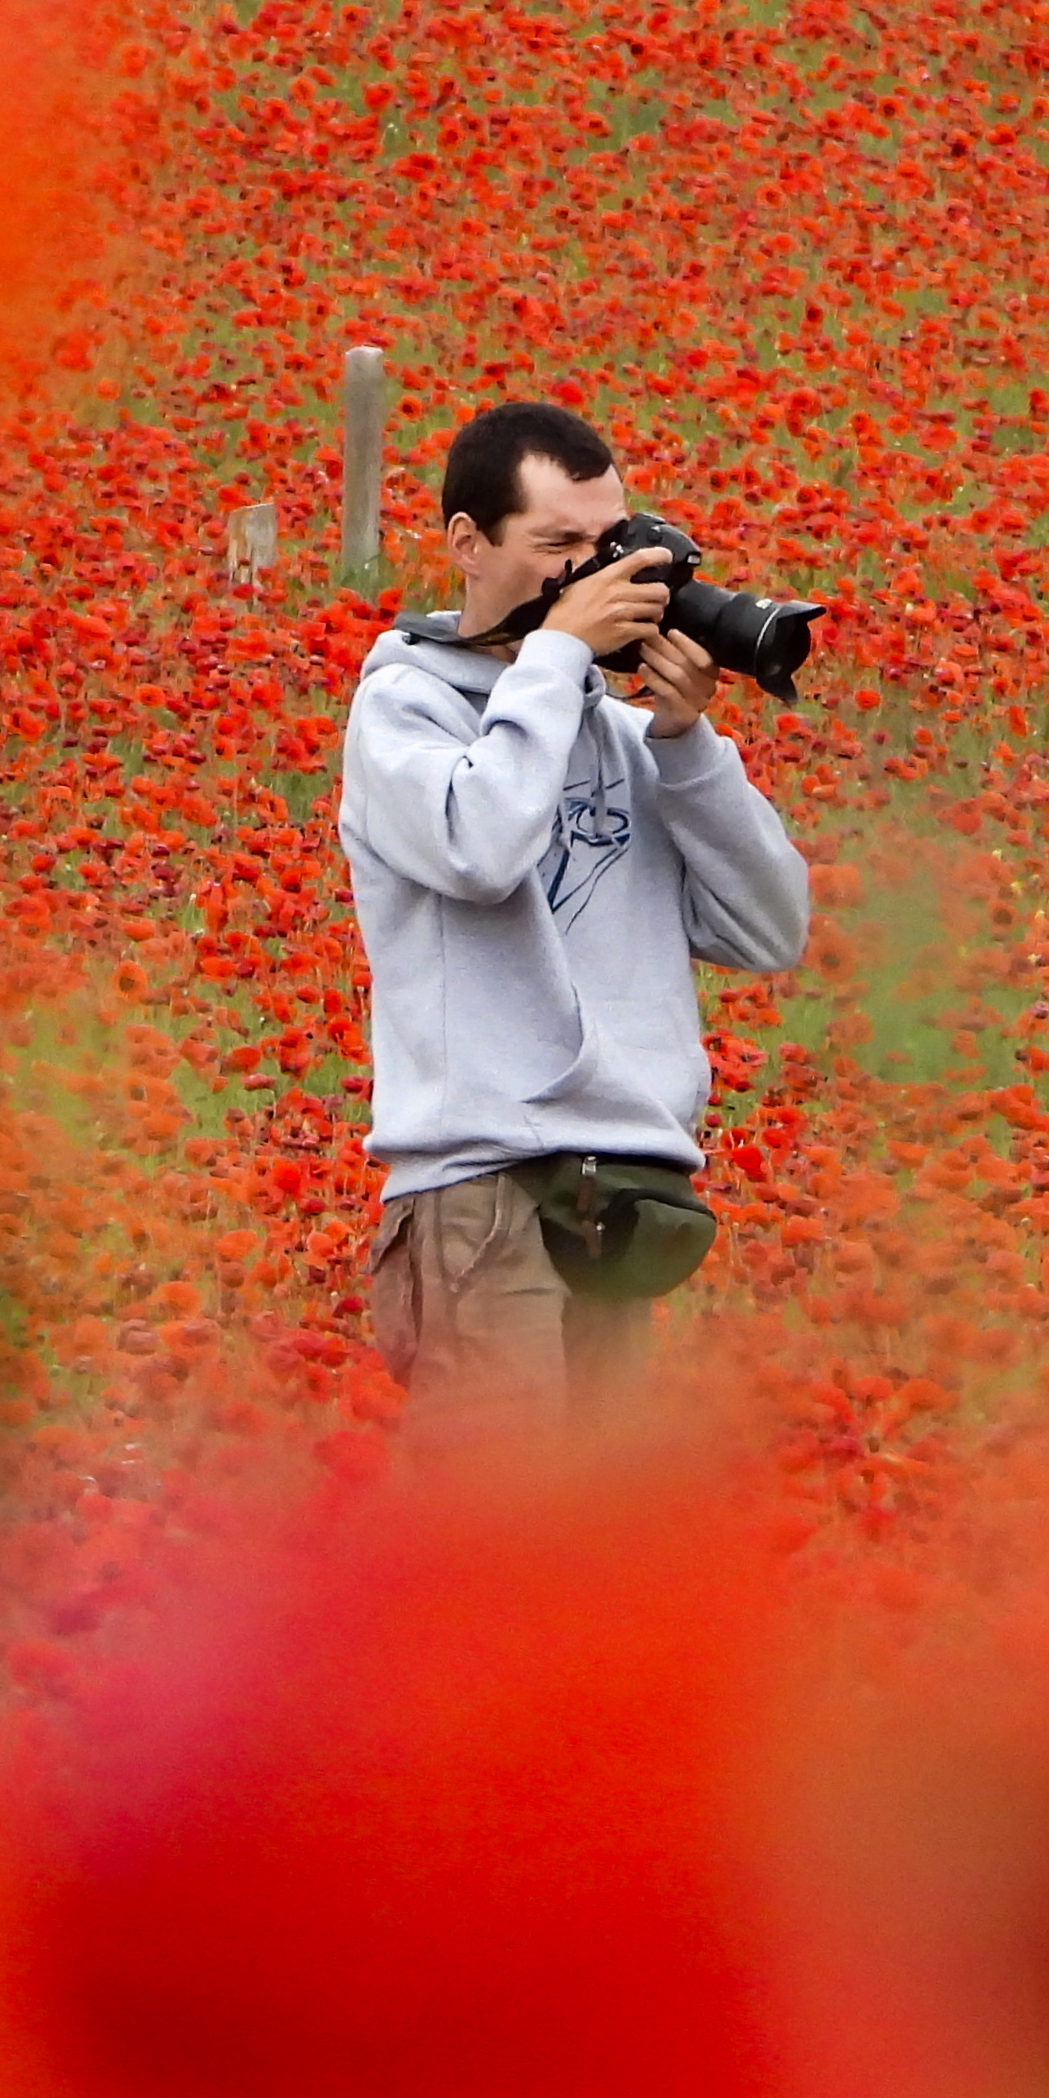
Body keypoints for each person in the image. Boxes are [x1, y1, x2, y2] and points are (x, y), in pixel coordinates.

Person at [336, 400, 813, 1444]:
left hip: (623, 1191)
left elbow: (772, 930)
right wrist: (554, 661)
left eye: (605, 548)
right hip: (479, 1185)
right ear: (469, 543)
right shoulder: (404, 708)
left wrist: (687, 746)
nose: (585, 578)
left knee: (578, 1560)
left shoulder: (632, 737)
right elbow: (481, 844)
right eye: (556, 546)